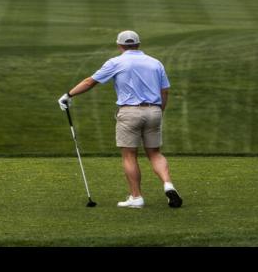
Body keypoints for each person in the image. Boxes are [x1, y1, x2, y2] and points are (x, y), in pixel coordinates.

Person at [60, 30, 182, 208]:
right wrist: (159, 111)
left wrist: (68, 95)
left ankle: (136, 197)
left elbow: (89, 82)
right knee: (155, 153)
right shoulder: (155, 63)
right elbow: (165, 91)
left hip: (129, 113)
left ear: (120, 46)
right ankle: (168, 184)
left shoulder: (116, 62)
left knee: (129, 155)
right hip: (154, 111)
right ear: (138, 44)